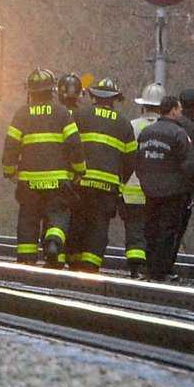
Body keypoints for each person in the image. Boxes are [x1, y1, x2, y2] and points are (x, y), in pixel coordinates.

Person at [3, 69, 86, 267]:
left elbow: (11, 145)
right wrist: (79, 170)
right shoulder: (62, 113)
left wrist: (9, 171)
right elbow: (75, 144)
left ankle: (26, 259)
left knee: (28, 218)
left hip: (28, 181)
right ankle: (54, 243)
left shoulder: (21, 114)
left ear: (30, 91)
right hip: (58, 180)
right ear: (52, 91)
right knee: (57, 213)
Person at [68, 78, 137, 272]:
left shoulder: (80, 115)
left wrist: (73, 172)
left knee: (78, 220)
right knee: (99, 225)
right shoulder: (124, 124)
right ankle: (91, 265)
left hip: (81, 183)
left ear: (92, 96)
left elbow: (70, 146)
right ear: (115, 99)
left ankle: (73, 260)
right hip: (108, 187)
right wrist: (120, 180)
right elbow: (131, 159)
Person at [136, 96, 194, 280]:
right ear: (172, 110)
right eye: (179, 110)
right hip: (173, 191)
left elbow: (138, 161)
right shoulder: (179, 134)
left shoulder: (146, 133)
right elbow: (189, 164)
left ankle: (149, 267)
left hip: (150, 190)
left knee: (151, 229)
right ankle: (161, 270)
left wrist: (145, 181)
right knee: (167, 231)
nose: (180, 113)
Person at [119, 82, 163, 277]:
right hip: (158, 192)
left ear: (143, 105)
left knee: (134, 230)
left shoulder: (131, 126)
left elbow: (123, 156)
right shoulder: (169, 130)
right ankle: (152, 265)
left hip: (131, 189)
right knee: (153, 229)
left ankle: (136, 266)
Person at [174, 87, 194, 247]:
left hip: (163, 184)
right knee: (177, 229)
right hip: (181, 188)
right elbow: (191, 161)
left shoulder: (171, 122)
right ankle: (166, 266)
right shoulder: (189, 128)